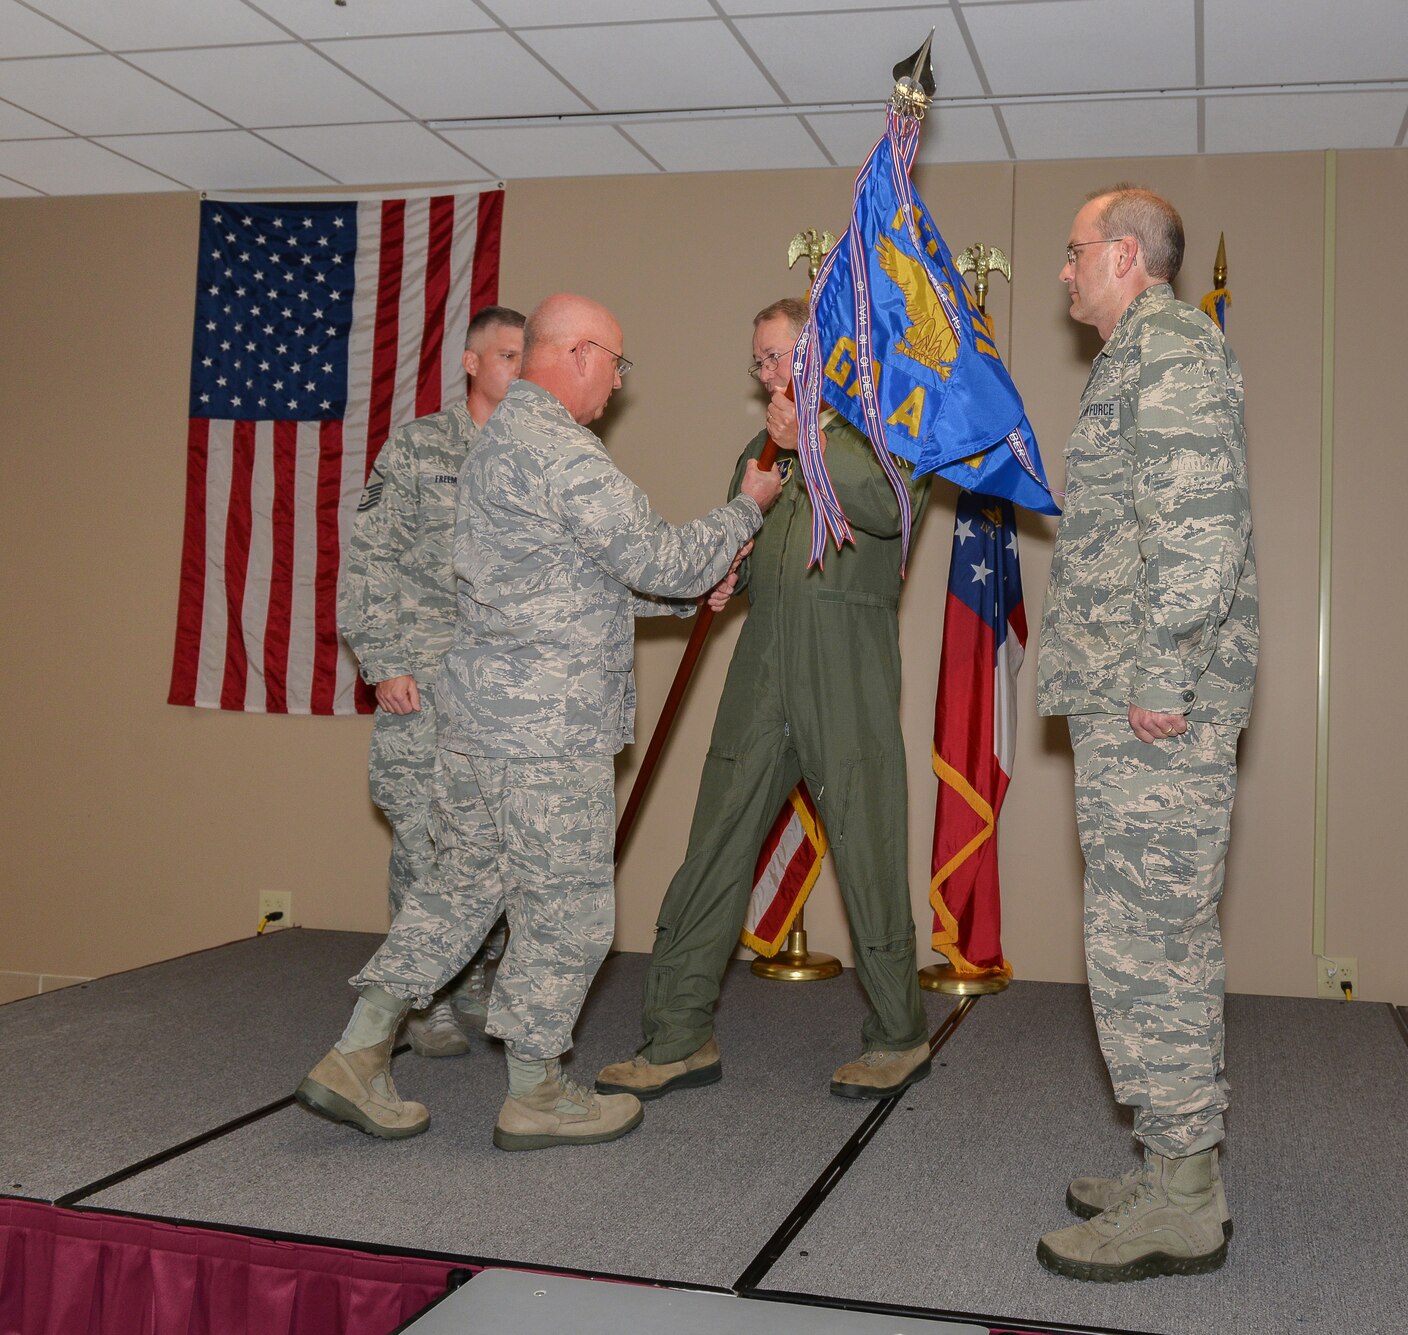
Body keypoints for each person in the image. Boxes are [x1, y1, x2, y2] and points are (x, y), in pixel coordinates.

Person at [297, 294, 782, 1151]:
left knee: (457, 890)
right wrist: (744, 506)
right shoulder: (562, 449)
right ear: (582, 354)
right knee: (567, 909)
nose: (619, 383)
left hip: (480, 722)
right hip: (547, 734)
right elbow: (657, 553)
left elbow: (575, 575)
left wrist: (681, 591)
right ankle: (537, 1092)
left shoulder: (493, 444)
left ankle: (358, 1049)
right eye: (618, 364)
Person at [596, 297, 934, 1105]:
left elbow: (889, 513)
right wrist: (724, 575)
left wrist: (807, 441)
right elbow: (747, 545)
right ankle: (678, 1034)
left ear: (823, 355)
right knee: (715, 835)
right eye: (758, 361)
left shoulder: (886, 431)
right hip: (764, 662)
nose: (767, 374)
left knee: (866, 843)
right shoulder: (762, 446)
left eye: (778, 356)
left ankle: (899, 1034)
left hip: (844, 663)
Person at [1033, 187, 1258, 1283]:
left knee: (1152, 946)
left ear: (1122, 254)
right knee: (1136, 939)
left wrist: (1164, 668)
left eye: (1073, 252)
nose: (1063, 272)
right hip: (1129, 696)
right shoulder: (1138, 355)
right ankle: (1173, 1166)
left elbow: (1196, 521)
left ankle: (1185, 1204)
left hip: (1154, 699)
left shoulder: (1169, 347)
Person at [337, 304, 524, 1059]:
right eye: (508, 353)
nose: (519, 366)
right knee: (423, 841)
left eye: (527, 355)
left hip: (508, 694)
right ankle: (421, 997)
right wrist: (384, 660)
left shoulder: (538, 456)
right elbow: (370, 557)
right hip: (426, 683)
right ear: (473, 363)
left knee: (499, 845)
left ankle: (476, 977)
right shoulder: (417, 448)